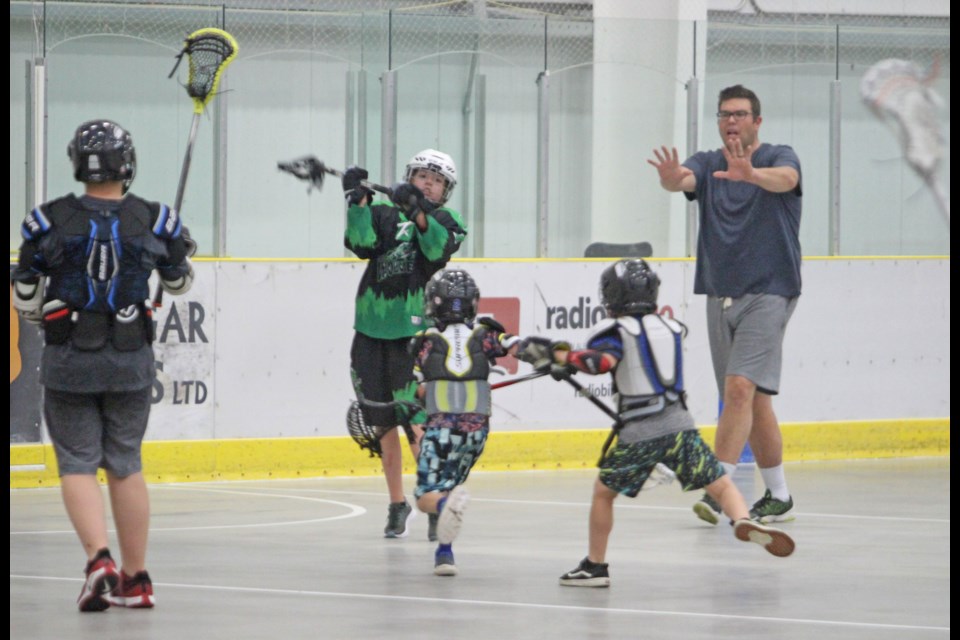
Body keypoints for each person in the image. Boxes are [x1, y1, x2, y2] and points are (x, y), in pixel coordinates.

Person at [516, 259, 796, 588]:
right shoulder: (671, 327)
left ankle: (595, 566)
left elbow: (600, 362)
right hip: (680, 425)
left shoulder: (617, 332)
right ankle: (743, 519)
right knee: (718, 482)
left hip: (640, 432)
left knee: (603, 493)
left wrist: (559, 357)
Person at [10, 119, 195, 611]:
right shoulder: (156, 219)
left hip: (69, 356)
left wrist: (39, 316)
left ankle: (99, 560)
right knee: (125, 464)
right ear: (127, 163)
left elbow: (25, 292)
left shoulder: (46, 219)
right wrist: (177, 254)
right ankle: (136, 579)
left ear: (77, 163)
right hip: (130, 360)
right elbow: (178, 285)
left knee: (76, 463)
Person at [647, 84, 801, 525]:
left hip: (770, 291)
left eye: (739, 113)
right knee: (753, 400)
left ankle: (720, 487)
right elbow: (681, 180)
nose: (731, 120)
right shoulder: (709, 162)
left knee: (737, 389)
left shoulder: (778, 157)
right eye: (724, 114)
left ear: (757, 121)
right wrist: (668, 176)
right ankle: (780, 496)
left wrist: (750, 174)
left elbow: (787, 181)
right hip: (720, 293)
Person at [342, 150, 467, 540]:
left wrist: (417, 211)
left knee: (416, 423)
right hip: (369, 331)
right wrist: (358, 202)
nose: (428, 182)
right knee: (382, 424)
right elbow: (359, 243)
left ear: (445, 190)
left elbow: (435, 250)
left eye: (437, 180)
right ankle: (397, 503)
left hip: (411, 337)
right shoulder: (383, 213)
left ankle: (430, 500)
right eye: (421, 176)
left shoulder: (448, 221)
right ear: (408, 176)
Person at [409, 269, 521, 576]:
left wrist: (423, 396)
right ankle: (444, 555)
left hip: (441, 431)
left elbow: (417, 389)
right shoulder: (486, 335)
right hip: (476, 433)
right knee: (453, 485)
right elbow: (516, 345)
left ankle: (444, 512)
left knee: (426, 497)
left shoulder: (423, 342)